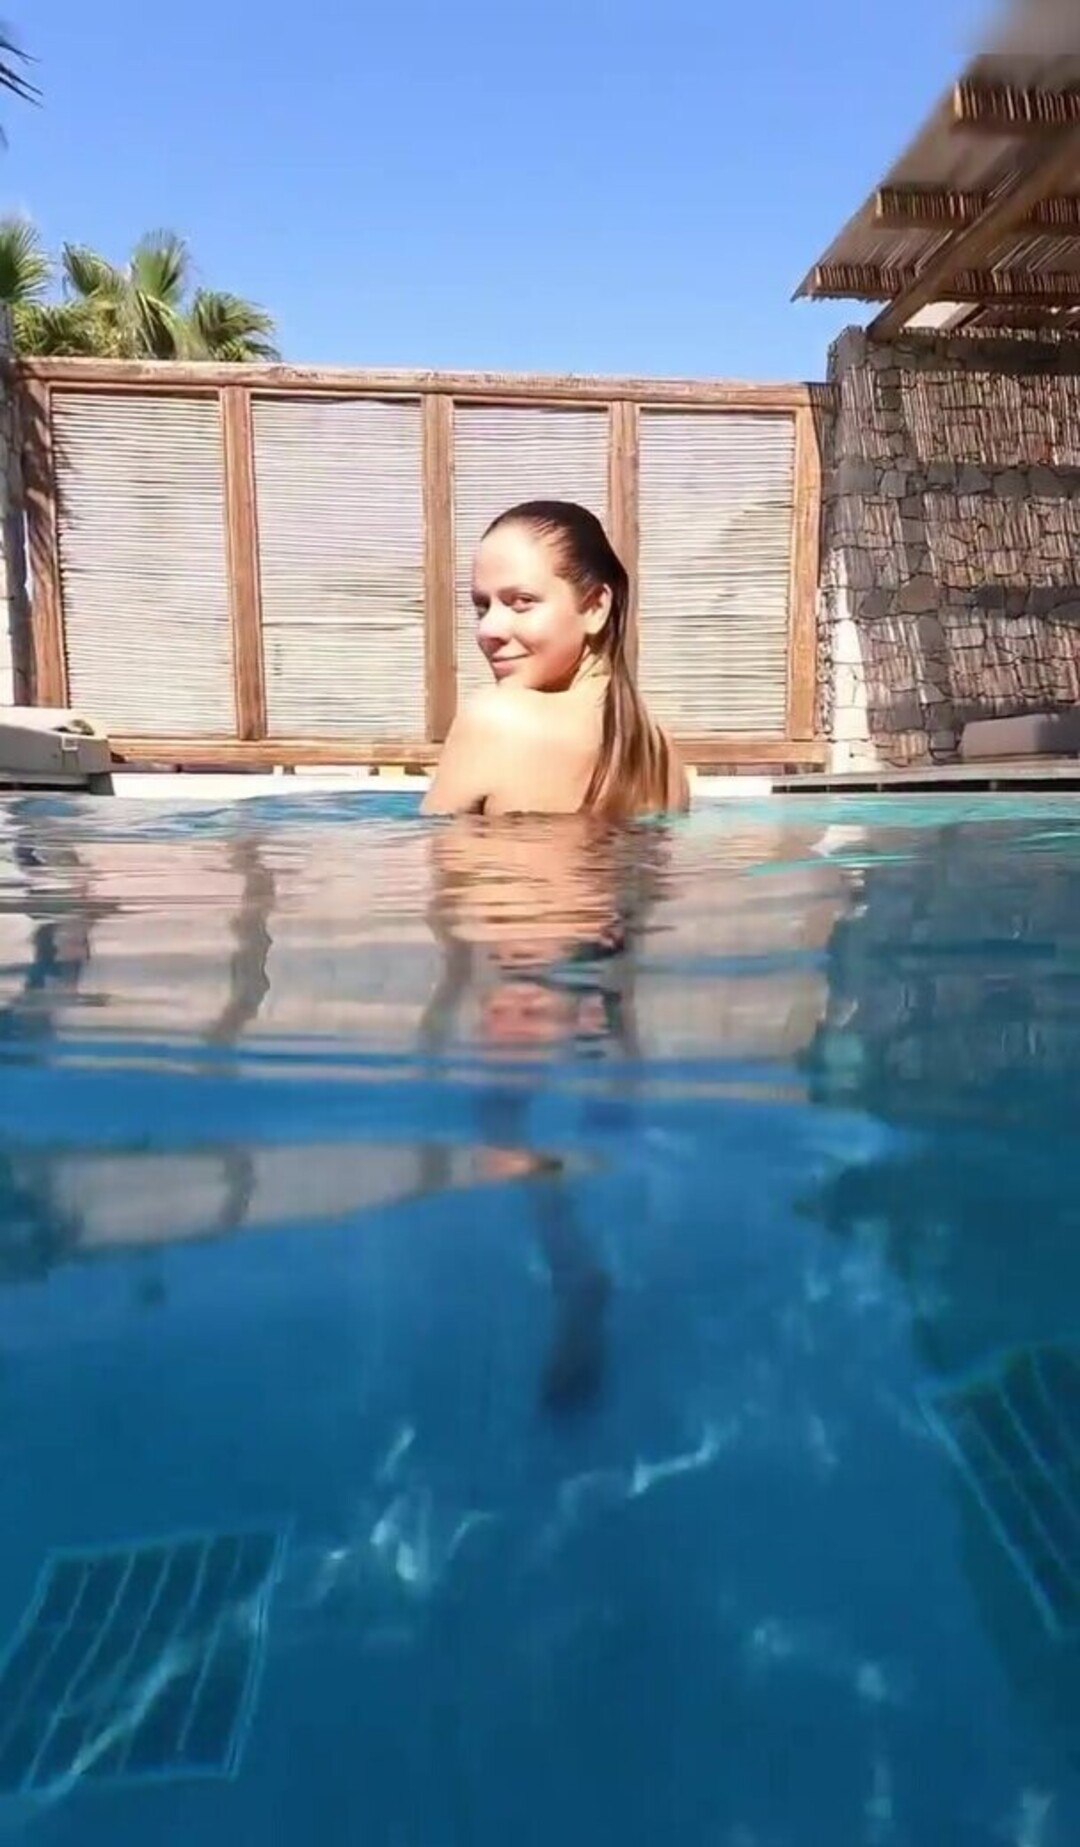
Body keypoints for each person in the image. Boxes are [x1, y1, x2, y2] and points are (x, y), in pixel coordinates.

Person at [421, 499, 690, 819]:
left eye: (522, 601)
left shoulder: (495, 720)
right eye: (483, 607)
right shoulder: (662, 753)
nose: (487, 630)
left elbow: (434, 847)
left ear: (595, 608)